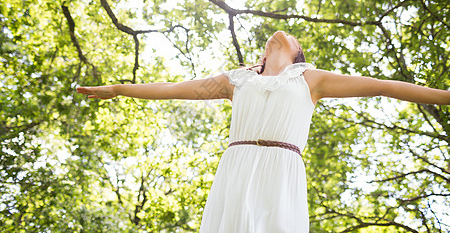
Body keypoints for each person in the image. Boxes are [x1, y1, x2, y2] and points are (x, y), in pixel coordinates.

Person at [76, 30, 450, 232]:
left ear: (298, 53)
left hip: (281, 169)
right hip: (236, 167)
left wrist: (445, 97)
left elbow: (383, 85)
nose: (279, 35)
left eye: (291, 38)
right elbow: (173, 89)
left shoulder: (310, 79)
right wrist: (119, 89)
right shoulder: (235, 81)